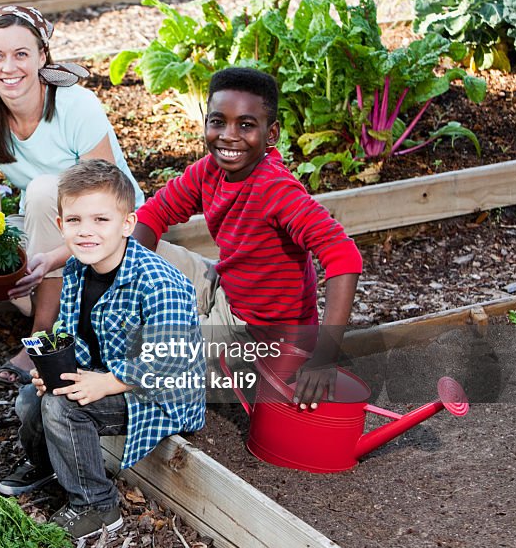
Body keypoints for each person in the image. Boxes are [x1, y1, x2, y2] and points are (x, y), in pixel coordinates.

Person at [0, 159, 203, 540]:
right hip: (106, 374)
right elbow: (69, 332)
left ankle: (96, 505)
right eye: (74, 221)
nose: (86, 232)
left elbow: (172, 360)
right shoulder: (77, 269)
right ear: (60, 226)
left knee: (63, 406)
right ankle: (48, 465)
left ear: (127, 224)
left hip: (159, 395)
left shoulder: (158, 283)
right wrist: (50, 368)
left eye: (100, 220)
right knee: (31, 396)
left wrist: (108, 382)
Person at [133, 67, 363, 408]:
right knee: (124, 252)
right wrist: (126, 283)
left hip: (258, 327)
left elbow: (344, 257)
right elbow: (152, 217)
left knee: (149, 363)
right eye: (218, 121)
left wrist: (325, 355)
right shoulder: (208, 171)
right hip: (227, 283)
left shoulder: (275, 190)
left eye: (245, 124)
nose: (228, 135)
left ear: (271, 134)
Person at [0, 4, 144, 385]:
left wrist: (50, 259)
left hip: (110, 230)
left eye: (21, 54)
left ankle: (41, 337)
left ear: (42, 56)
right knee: (3, 246)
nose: (9, 67)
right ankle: (57, 312)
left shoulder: (76, 106)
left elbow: (105, 200)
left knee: (44, 190)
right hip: (49, 226)